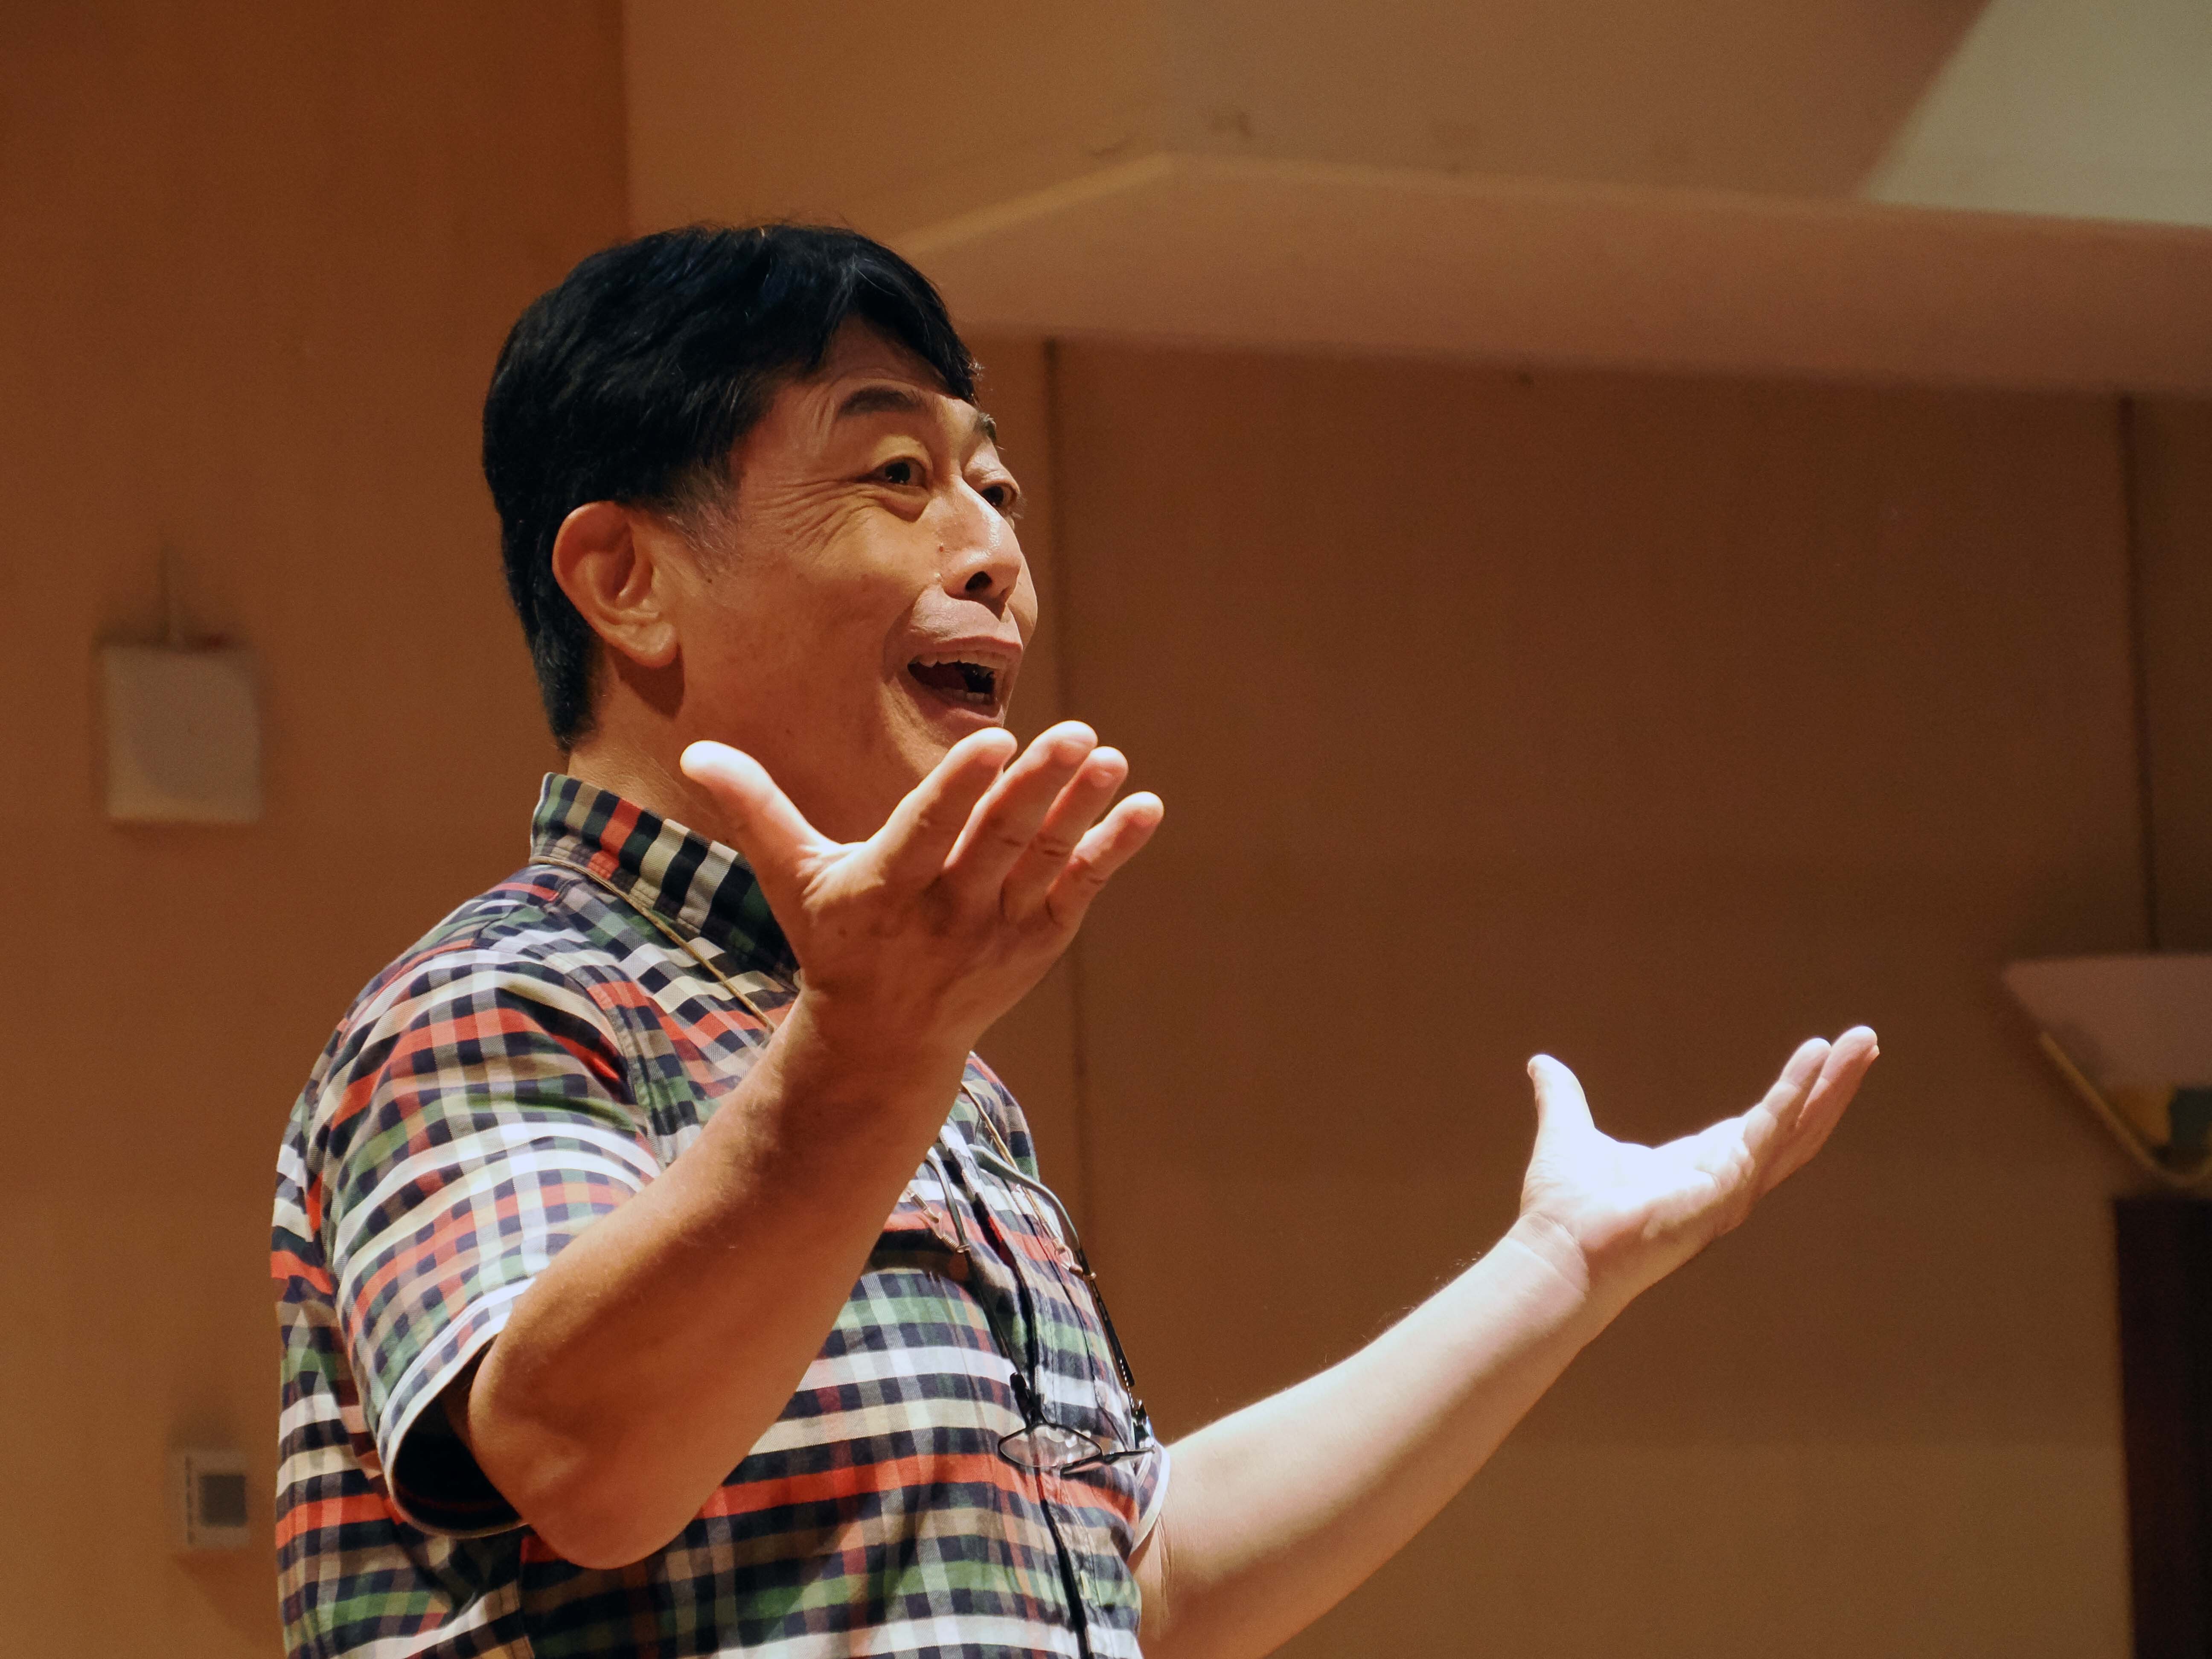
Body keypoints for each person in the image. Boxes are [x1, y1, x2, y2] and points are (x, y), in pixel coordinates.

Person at [272, 223, 1878, 1659]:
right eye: (895, 476)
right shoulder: (498, 1001)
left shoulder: (918, 1074)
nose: (993, 552)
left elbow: (1126, 1584)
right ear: (627, 579)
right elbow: (580, 1459)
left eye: (996, 490)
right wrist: (867, 1058)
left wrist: (1555, 1272)